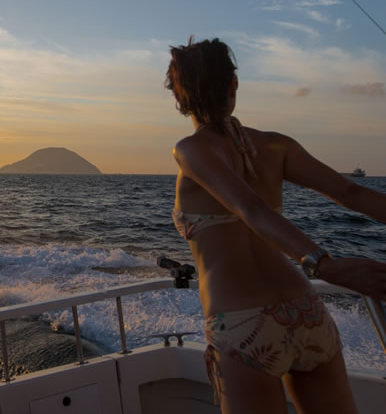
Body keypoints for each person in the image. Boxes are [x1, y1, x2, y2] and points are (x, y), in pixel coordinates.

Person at [165, 37, 386, 414]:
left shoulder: (191, 149)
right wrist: (322, 264)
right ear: (234, 83)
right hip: (307, 313)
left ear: (178, 96)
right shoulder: (275, 146)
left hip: (244, 323)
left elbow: (249, 208)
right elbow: (351, 192)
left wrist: (325, 264)